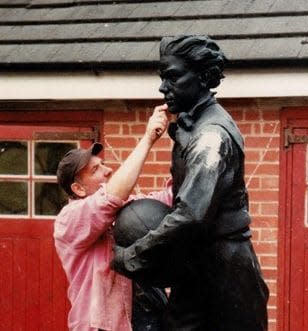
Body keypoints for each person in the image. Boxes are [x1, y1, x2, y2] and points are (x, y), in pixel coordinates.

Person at [112, 35, 269, 331]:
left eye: (172, 77)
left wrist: (132, 256)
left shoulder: (211, 137)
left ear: (203, 77)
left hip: (227, 274)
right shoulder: (191, 125)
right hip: (199, 267)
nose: (162, 87)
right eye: (162, 77)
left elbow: (190, 216)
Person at [53, 105, 171, 331]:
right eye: (96, 169)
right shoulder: (68, 221)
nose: (107, 171)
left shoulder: (121, 207)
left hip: (145, 318)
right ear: (78, 189)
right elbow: (111, 197)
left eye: (103, 164)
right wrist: (147, 139)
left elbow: (165, 199)